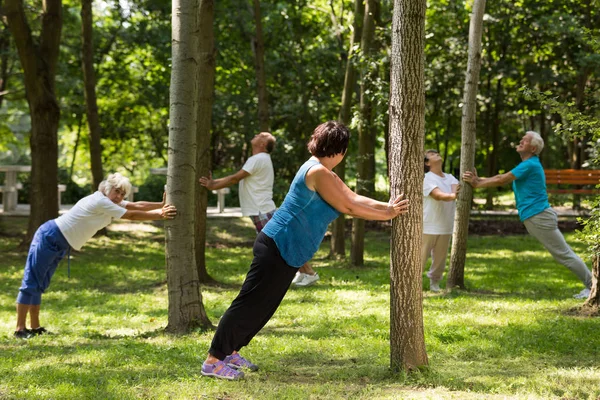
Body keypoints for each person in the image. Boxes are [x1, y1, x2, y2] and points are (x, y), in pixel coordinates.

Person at [200, 121, 410, 380]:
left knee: (264, 307)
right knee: (249, 304)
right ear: (340, 150)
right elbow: (349, 208)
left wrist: (387, 207)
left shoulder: (323, 171)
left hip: (287, 250)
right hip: (277, 245)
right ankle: (213, 360)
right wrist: (388, 214)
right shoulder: (317, 172)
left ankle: (230, 350)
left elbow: (352, 198)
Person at [14, 173, 177, 339]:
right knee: (31, 283)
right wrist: (160, 214)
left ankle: (35, 327)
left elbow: (135, 206)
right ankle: (20, 329)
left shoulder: (110, 201)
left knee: (41, 284)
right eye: (116, 191)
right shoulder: (101, 201)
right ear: (107, 188)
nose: (119, 197)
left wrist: (160, 204)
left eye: (122, 194)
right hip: (49, 236)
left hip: (60, 242)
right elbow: (131, 215)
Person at [463, 131, 592, 299]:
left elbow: (503, 179)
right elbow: (501, 176)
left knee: (564, 255)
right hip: (537, 217)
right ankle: (592, 285)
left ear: (533, 148)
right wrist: (478, 181)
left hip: (539, 216)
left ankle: (592, 286)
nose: (520, 141)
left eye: (525, 140)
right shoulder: (527, 164)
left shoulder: (530, 164)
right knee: (564, 254)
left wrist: (477, 184)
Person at [199, 131, 320, 287]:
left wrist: (213, 185)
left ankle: (308, 273)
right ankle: (303, 272)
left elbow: (236, 178)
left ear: (263, 144)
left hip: (261, 208)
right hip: (260, 208)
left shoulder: (257, 159)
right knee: (282, 241)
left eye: (260, 135)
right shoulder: (261, 159)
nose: (255, 135)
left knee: (282, 243)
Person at [422, 149, 460, 292]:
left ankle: (435, 283)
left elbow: (454, 191)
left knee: (440, 259)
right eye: (431, 155)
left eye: (437, 153)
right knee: (420, 257)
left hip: (446, 225)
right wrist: (455, 195)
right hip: (428, 225)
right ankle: (413, 283)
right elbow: (438, 195)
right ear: (427, 162)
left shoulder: (450, 177)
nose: (436, 154)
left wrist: (455, 194)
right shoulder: (426, 178)